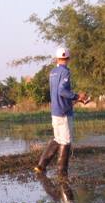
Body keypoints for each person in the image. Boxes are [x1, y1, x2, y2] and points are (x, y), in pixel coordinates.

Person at [34, 47, 88, 178]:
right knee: (66, 142)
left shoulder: (53, 72)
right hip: (63, 113)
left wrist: (75, 100)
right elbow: (62, 91)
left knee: (58, 139)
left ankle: (40, 166)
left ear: (57, 59)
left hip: (55, 111)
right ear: (68, 58)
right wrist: (77, 96)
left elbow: (58, 94)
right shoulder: (65, 72)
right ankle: (62, 173)